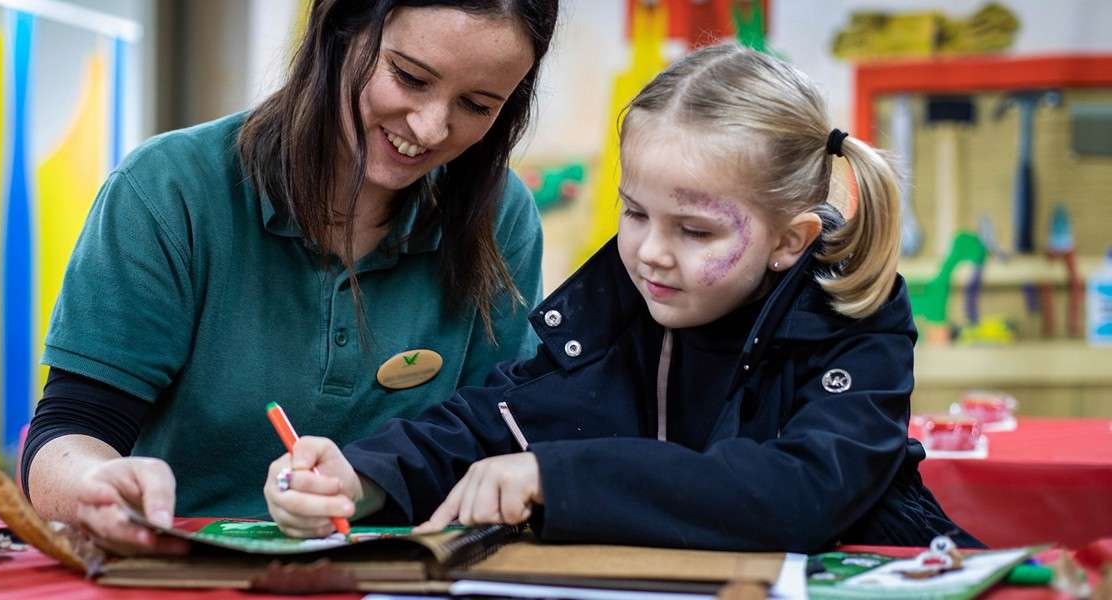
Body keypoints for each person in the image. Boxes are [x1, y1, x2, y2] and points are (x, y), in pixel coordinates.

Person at [263, 43, 981, 552]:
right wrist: (362, 476)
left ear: (789, 239)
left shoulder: (856, 321)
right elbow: (498, 423)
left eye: (696, 229)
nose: (651, 252)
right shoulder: (622, 300)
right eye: (634, 213)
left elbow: (802, 492)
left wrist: (555, 475)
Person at [22, 0, 559, 555]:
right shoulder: (167, 189)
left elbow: (498, 437)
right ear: (339, 30)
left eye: (476, 105)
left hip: (404, 576)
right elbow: (69, 430)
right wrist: (92, 487)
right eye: (409, 77)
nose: (430, 127)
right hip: (187, 573)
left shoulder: (501, 217)